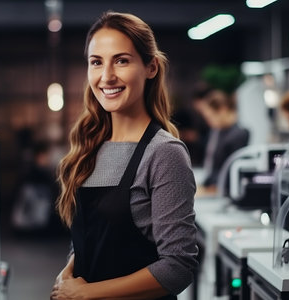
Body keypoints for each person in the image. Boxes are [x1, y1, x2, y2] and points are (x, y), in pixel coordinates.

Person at [50, 11, 198, 300]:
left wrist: (87, 294)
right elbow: (92, 239)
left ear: (151, 67)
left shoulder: (164, 153)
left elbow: (178, 267)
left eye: (121, 60)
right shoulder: (90, 147)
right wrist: (68, 272)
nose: (107, 76)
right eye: (96, 62)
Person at [193, 87, 249, 195]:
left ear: (222, 110)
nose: (208, 122)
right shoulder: (216, 132)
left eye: (210, 117)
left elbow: (230, 170)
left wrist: (211, 188)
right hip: (211, 187)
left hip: (225, 191)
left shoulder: (239, 134)